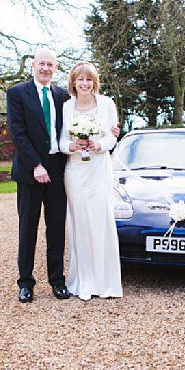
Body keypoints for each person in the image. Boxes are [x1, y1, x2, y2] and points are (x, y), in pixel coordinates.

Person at [6, 49, 119, 303]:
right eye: (41, 64)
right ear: (33, 66)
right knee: (28, 229)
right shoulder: (16, 93)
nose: (45, 68)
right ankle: (26, 283)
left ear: (55, 69)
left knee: (57, 228)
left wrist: (108, 133)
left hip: (58, 171)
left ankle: (57, 281)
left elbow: (70, 129)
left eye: (50, 65)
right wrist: (36, 165)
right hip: (29, 172)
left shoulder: (61, 96)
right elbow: (18, 133)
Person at [59, 62, 122, 300]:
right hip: (75, 170)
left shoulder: (106, 104)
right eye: (80, 79)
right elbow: (61, 141)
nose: (84, 84)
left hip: (98, 168)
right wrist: (71, 146)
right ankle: (81, 281)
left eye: (88, 79)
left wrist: (99, 145)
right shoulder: (66, 107)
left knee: (100, 219)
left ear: (94, 82)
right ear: (73, 83)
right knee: (79, 223)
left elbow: (112, 138)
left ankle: (105, 282)